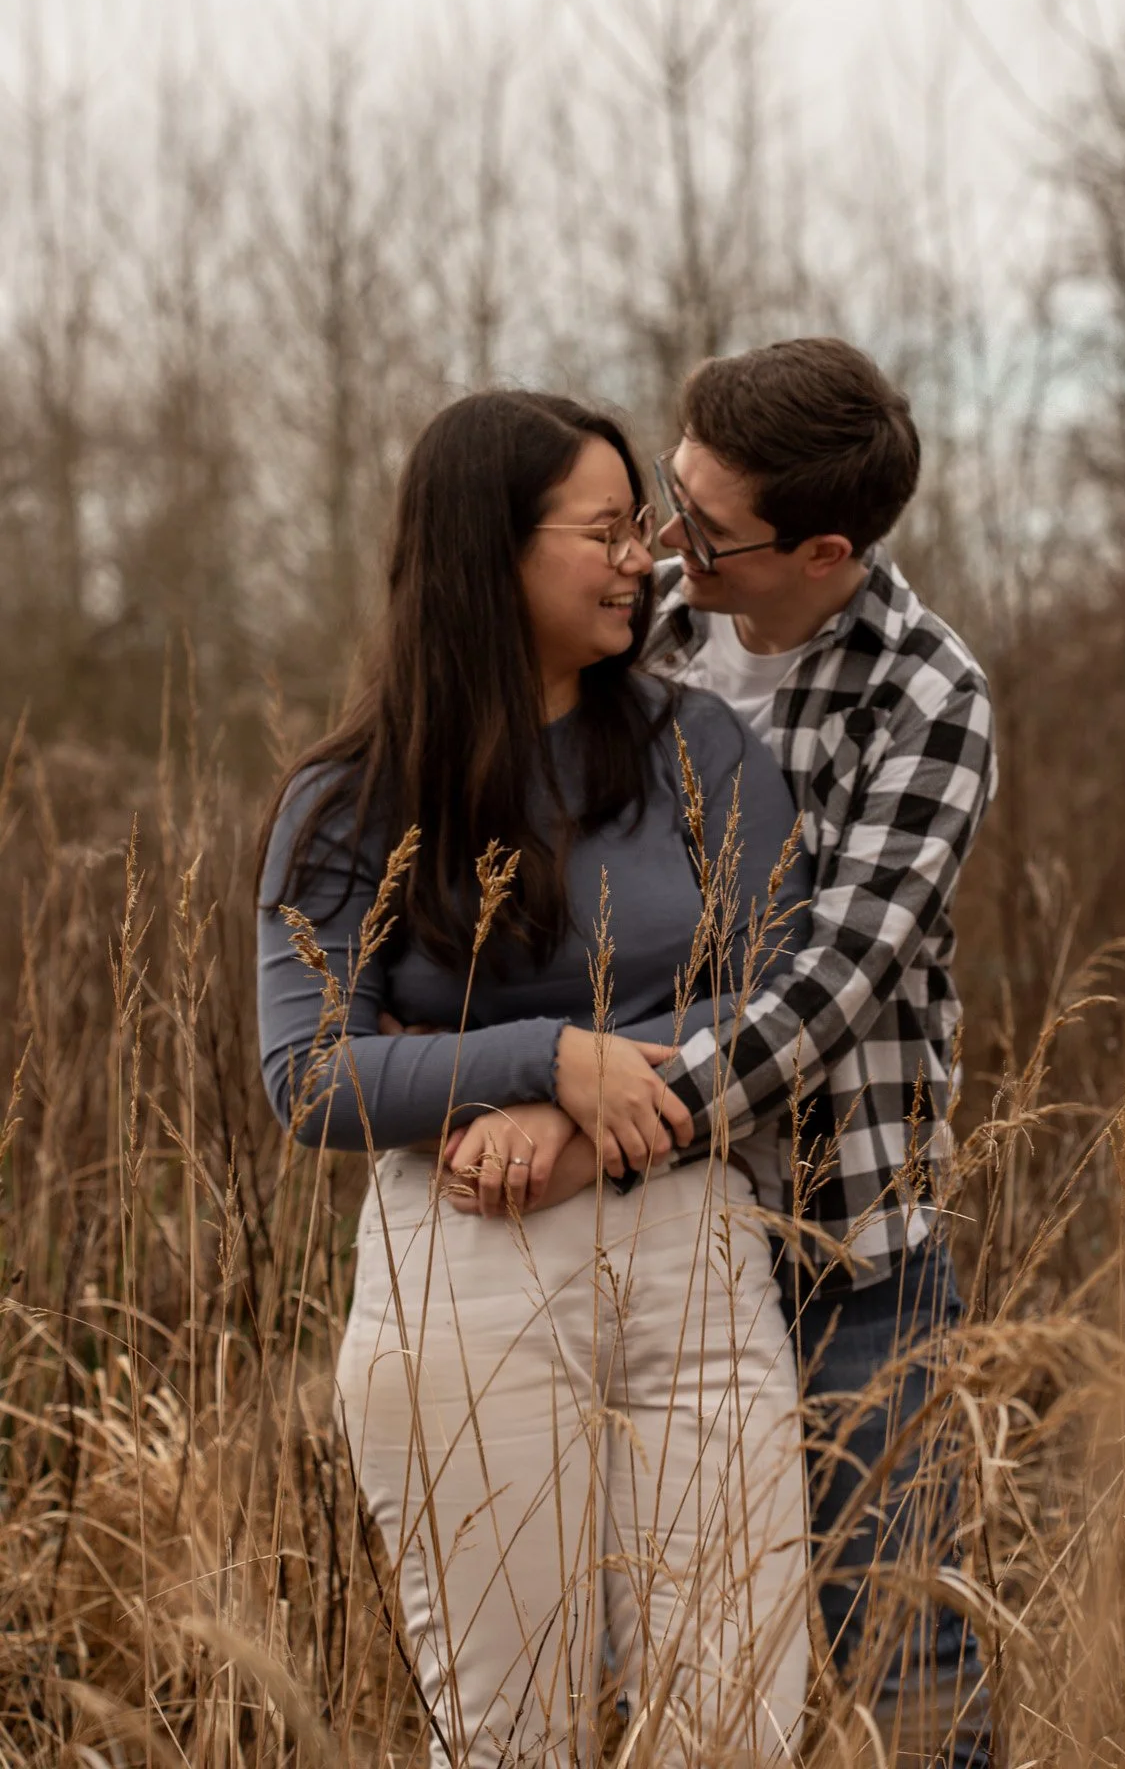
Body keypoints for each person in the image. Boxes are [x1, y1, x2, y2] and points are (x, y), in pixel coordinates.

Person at [255, 391, 812, 1768]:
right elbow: (308, 1069)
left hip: (697, 1260)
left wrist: (582, 1120)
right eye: (608, 531)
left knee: (737, 1727)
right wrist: (541, 1056)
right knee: (518, 1740)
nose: (647, 560)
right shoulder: (348, 801)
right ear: (487, 551)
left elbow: (788, 994)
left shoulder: (702, 750)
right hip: (467, 1272)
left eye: (644, 527)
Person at [641, 339, 997, 1768]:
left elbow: (835, 979)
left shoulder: (925, 694)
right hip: (648, 1246)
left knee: (906, 1657)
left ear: (826, 548)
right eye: (671, 496)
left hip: (846, 1249)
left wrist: (616, 1108)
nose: (671, 545)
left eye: (707, 531)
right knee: (676, 1658)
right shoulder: (646, 627)